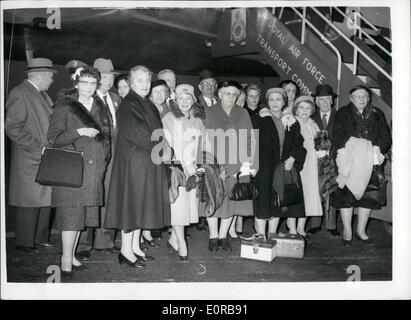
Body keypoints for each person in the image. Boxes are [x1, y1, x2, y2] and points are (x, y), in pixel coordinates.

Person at [47, 65, 111, 278]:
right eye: (85, 83)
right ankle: (65, 259)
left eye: (94, 83)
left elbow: (106, 137)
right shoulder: (65, 106)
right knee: (70, 216)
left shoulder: (99, 105)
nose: (90, 87)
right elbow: (53, 139)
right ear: (76, 83)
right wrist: (78, 131)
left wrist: (103, 160)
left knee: (80, 217)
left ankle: (72, 255)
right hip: (71, 169)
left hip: (93, 171)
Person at [104, 66, 171, 268]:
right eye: (140, 80)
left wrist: (164, 146)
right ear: (131, 83)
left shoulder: (145, 104)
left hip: (146, 163)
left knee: (139, 207)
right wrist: (162, 148)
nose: (144, 84)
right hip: (134, 165)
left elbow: (157, 132)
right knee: (131, 207)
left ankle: (134, 247)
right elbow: (139, 134)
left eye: (147, 81)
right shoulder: (129, 103)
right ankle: (125, 251)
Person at [5, 58, 57, 253]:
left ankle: (40, 238)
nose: (51, 81)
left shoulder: (41, 94)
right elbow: (12, 127)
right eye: (50, 77)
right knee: (29, 201)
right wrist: (37, 147)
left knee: (45, 199)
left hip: (44, 157)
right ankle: (25, 242)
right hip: (30, 157)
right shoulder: (20, 93)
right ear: (42, 76)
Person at [330, 85, 391, 246]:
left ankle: (361, 231)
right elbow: (336, 135)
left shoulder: (378, 113)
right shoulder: (343, 113)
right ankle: (347, 231)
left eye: (365, 96)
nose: (362, 99)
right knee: (346, 196)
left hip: (371, 160)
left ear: (369, 97)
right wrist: (355, 147)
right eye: (358, 96)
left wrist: (377, 148)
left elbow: (386, 136)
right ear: (351, 98)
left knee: (368, 196)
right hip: (349, 160)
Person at [203, 80, 258, 251]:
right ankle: (213, 236)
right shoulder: (208, 112)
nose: (231, 97)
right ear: (219, 94)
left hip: (236, 164)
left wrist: (246, 164)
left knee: (232, 200)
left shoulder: (242, 113)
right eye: (227, 93)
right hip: (213, 162)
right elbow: (201, 137)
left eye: (234, 94)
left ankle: (222, 236)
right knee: (213, 199)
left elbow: (250, 139)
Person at [76, 58, 122, 259]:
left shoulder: (116, 98)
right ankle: (83, 244)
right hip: (93, 157)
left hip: (113, 157)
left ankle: (104, 240)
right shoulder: (85, 99)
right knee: (89, 198)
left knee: (109, 197)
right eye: (103, 76)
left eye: (111, 76)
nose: (108, 80)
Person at [162, 84, 209, 261]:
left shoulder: (197, 120)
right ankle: (182, 243)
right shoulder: (169, 118)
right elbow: (171, 144)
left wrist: (201, 166)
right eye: (181, 98)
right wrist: (187, 167)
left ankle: (174, 238)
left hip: (193, 169)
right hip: (178, 168)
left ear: (193, 101)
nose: (184, 102)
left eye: (188, 98)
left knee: (188, 207)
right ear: (175, 100)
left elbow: (205, 144)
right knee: (178, 207)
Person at [258, 88, 306, 236]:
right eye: (271, 99)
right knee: (263, 202)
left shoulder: (292, 121)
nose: (275, 102)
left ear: (284, 101)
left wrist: (292, 158)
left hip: (283, 167)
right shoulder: (260, 119)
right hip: (264, 167)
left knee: (278, 201)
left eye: (278, 99)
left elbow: (299, 144)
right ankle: (261, 236)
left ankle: (272, 235)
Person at [308, 84, 340, 236]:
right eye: (321, 99)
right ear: (316, 101)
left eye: (328, 99)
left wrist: (330, 152)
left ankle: (331, 225)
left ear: (332, 101)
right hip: (315, 161)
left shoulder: (340, 116)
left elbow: (343, 138)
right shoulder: (310, 118)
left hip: (335, 159)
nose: (325, 102)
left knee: (332, 190)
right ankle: (315, 223)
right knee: (316, 189)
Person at [232, 83, 262, 238]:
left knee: (252, 189)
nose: (254, 99)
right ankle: (237, 222)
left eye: (256, 96)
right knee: (240, 188)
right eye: (251, 95)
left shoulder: (263, 113)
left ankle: (254, 224)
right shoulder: (241, 113)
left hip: (255, 154)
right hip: (239, 154)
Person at [293, 96, 323, 236]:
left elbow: (320, 143)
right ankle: (292, 228)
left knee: (308, 196)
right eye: (301, 107)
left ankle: (301, 227)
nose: (305, 111)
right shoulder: (292, 122)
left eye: (308, 108)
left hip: (311, 164)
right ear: (296, 109)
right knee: (295, 195)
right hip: (299, 163)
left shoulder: (313, 125)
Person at [196, 70, 219, 232]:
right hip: (202, 147)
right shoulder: (195, 103)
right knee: (203, 182)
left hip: (220, 146)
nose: (209, 87)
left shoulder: (221, 102)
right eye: (206, 84)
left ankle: (212, 211)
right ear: (199, 87)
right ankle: (202, 217)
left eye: (212, 84)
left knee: (216, 180)